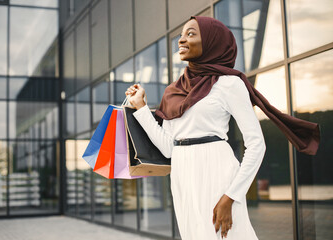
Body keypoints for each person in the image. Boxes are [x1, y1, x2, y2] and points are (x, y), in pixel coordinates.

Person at [125, 16, 320, 240]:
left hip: (217, 171)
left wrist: (231, 196)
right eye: (180, 36)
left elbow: (257, 144)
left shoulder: (228, 84)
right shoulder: (173, 91)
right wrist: (140, 107)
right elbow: (169, 149)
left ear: (211, 41)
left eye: (190, 34)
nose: (181, 41)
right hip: (182, 175)